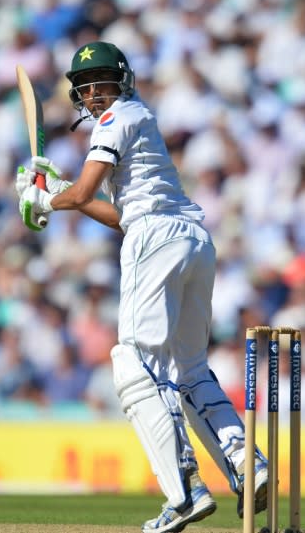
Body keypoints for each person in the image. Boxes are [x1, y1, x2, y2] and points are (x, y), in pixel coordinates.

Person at [16, 41, 267, 533]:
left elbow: (89, 194)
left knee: (134, 362)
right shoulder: (136, 120)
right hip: (190, 239)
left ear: (122, 81)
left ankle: (184, 492)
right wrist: (59, 187)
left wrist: (42, 201)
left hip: (157, 239)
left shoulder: (115, 118)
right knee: (189, 368)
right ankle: (246, 463)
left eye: (101, 83)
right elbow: (118, 214)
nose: (93, 94)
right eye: (86, 87)